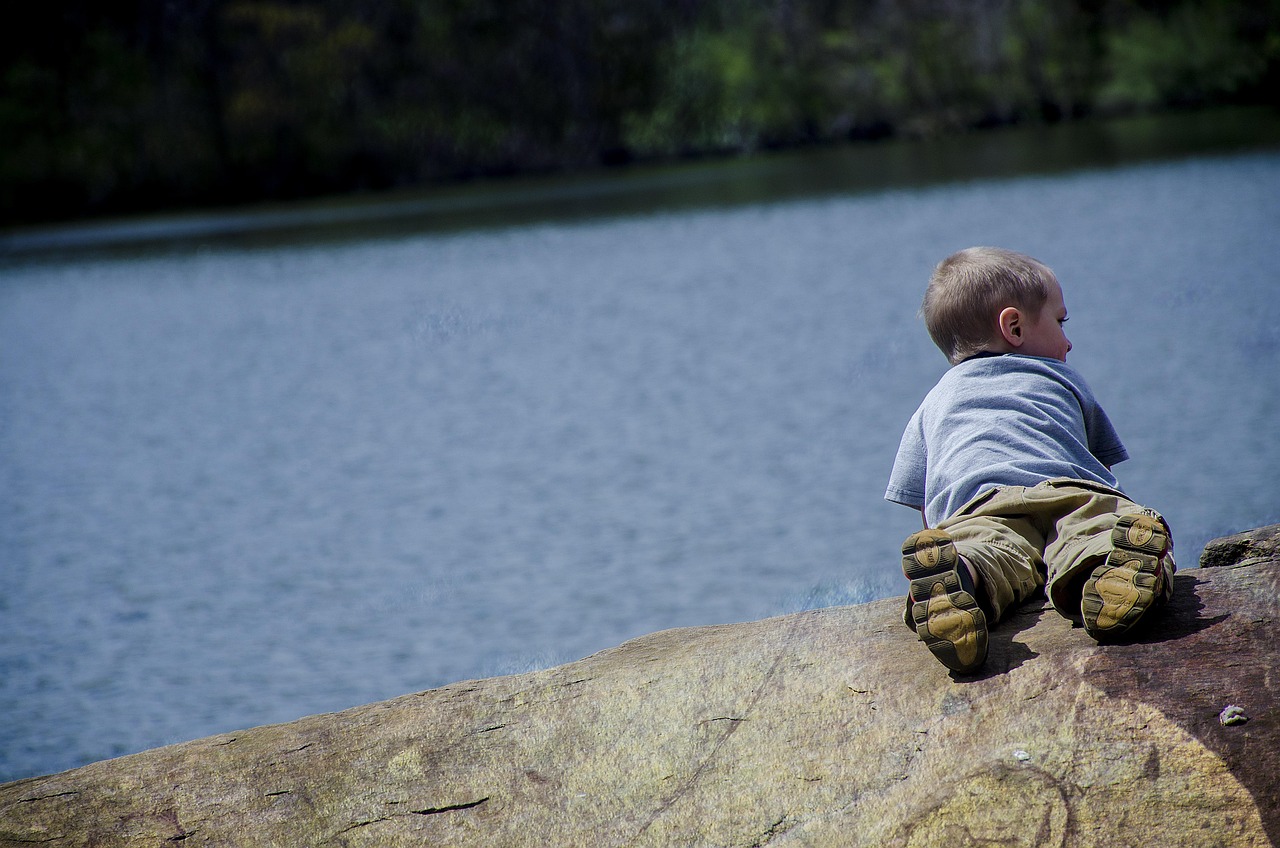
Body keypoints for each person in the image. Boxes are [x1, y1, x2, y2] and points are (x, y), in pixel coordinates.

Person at [884, 246, 1174, 674]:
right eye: (1060, 321)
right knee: (1097, 531)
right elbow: (1104, 473)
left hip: (981, 508)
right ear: (1014, 326)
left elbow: (925, 508)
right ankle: (1106, 570)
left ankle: (963, 577)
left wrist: (952, 539)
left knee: (989, 554)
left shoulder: (932, 403)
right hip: (1073, 494)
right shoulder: (1062, 378)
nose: (1068, 340)